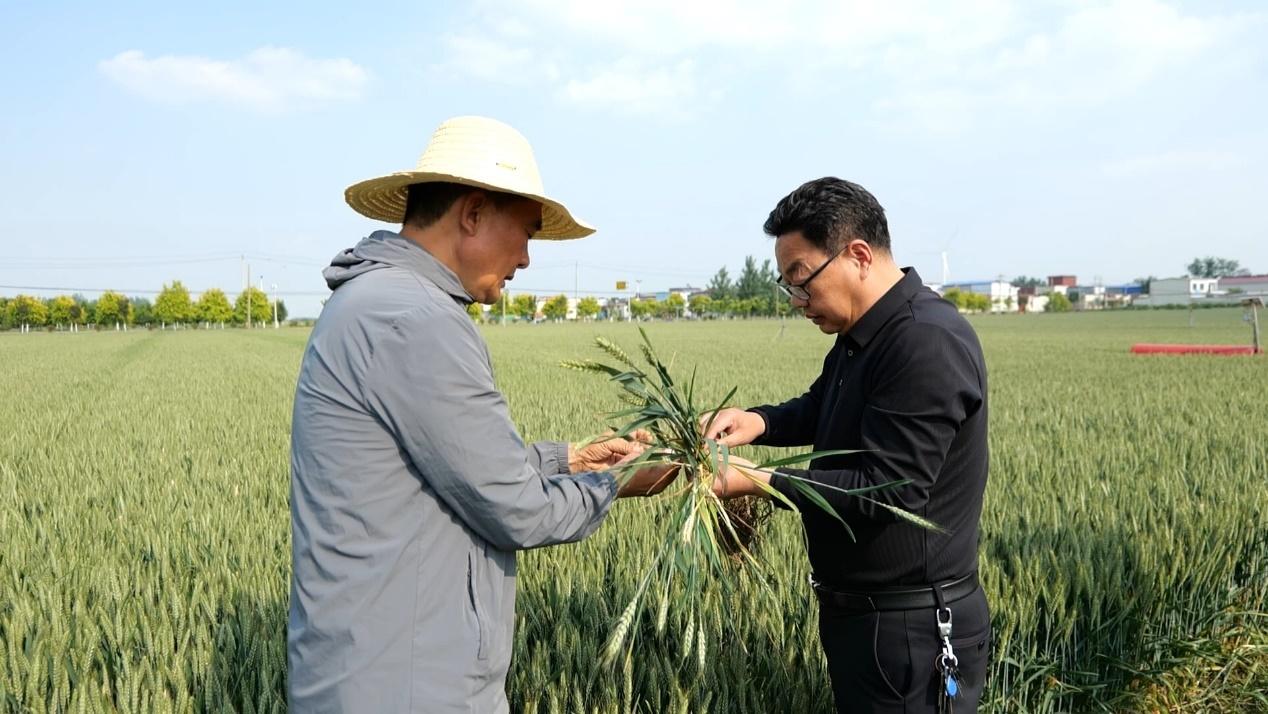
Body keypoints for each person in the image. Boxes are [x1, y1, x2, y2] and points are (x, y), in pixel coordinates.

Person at [288, 116, 676, 713]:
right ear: (471, 214)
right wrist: (621, 479)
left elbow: (448, 468)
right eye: (525, 232)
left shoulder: (377, 302)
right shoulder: (415, 320)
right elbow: (514, 510)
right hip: (408, 685)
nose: (525, 257)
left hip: (379, 667)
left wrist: (570, 459)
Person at [705, 177, 991, 713]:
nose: (797, 301)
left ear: (857, 255)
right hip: (868, 621)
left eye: (802, 280)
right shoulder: (865, 335)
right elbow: (822, 407)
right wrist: (756, 421)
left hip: (913, 632)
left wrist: (758, 480)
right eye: (788, 285)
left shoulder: (925, 341)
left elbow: (888, 491)